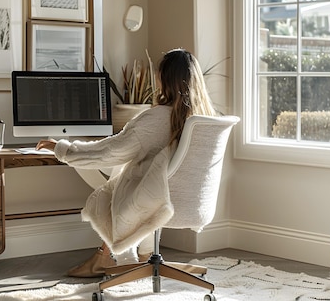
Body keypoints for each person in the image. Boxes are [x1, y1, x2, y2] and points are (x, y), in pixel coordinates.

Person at [36, 48, 217, 277]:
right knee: (136, 179)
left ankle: (106, 258)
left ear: (164, 79)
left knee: (115, 186)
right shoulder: (205, 120)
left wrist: (61, 148)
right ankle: (141, 256)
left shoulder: (156, 118)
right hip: (190, 204)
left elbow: (109, 152)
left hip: (157, 202)